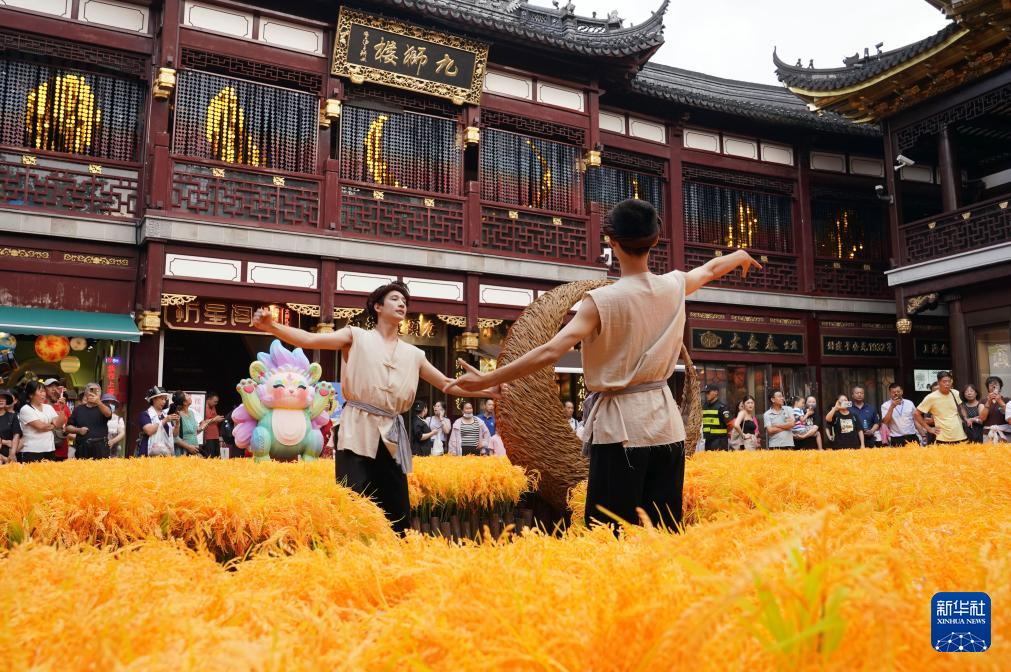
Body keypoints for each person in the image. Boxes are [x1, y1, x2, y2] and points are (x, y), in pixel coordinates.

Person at [449, 198, 762, 530]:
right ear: (656, 239)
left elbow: (550, 351)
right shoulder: (673, 285)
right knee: (665, 531)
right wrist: (738, 255)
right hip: (667, 428)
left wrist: (488, 379)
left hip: (621, 431)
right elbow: (710, 269)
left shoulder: (602, 300)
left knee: (610, 533)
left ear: (612, 242)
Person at [251, 281, 485, 534]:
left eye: (404, 302)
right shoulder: (355, 336)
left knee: (397, 509)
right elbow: (310, 339)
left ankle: (396, 552)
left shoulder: (415, 354)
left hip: (391, 434)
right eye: (395, 299)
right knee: (353, 501)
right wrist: (272, 326)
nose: (401, 304)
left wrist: (489, 388)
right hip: (356, 429)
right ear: (377, 307)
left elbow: (448, 384)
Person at [17, 380, 66, 462]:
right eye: (40, 391)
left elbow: (59, 424)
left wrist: (62, 409)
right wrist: (53, 425)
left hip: (49, 449)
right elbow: (41, 427)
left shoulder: (48, 407)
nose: (43, 394)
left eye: (44, 391)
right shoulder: (26, 409)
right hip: (32, 450)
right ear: (31, 395)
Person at [915, 371, 966, 445]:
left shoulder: (955, 393)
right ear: (938, 382)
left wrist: (966, 418)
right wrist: (929, 429)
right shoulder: (931, 397)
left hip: (960, 435)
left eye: (949, 381)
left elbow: (961, 407)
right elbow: (916, 414)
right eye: (944, 381)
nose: (947, 383)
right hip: (943, 437)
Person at [66, 382, 113, 459]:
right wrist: (78, 430)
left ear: (100, 394)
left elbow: (108, 414)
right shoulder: (78, 409)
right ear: (86, 393)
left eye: (97, 391)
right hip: (82, 448)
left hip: (100, 448)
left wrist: (98, 402)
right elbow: (68, 427)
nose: (94, 393)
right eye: (91, 390)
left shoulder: (104, 407)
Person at [139, 386, 178, 457]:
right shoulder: (145, 414)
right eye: (162, 399)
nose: (164, 402)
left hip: (166, 454)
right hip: (148, 453)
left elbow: (174, 434)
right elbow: (149, 431)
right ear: (154, 399)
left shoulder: (165, 415)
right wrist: (164, 420)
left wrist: (178, 424)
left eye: (165, 399)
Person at [41, 378, 71, 461]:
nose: (54, 389)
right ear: (44, 390)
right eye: (50, 387)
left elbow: (68, 426)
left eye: (56, 387)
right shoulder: (40, 405)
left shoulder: (64, 406)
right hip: (44, 450)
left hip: (61, 451)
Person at [701, 384, 733, 451]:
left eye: (708, 392)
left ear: (716, 392)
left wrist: (723, 434)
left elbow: (730, 424)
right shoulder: (705, 406)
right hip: (708, 441)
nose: (707, 394)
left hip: (719, 441)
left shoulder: (722, 407)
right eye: (706, 393)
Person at [171, 391, 202, 457]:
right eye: (187, 395)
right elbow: (174, 437)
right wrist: (188, 447)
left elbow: (194, 431)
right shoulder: (176, 415)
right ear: (184, 403)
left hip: (194, 451)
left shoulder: (191, 413)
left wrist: (208, 423)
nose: (189, 396)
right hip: (183, 452)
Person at [982, 376, 1010, 443]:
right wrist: (988, 401)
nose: (994, 386)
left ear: (1000, 387)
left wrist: (1000, 401)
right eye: (991, 385)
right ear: (988, 388)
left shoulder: (1007, 400)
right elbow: (982, 418)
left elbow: (1010, 415)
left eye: (996, 385)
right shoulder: (983, 401)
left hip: (1005, 433)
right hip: (988, 434)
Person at [0, 389, 22, 464]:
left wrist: (12, 453)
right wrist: (5, 442)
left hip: (9, 456)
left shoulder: (12, 416)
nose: (1, 400)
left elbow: (16, 435)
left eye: (3, 398)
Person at [202, 392, 225, 458]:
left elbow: (214, 418)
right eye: (215, 402)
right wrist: (215, 419)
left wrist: (218, 419)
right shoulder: (203, 407)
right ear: (208, 399)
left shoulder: (213, 407)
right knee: (210, 456)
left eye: (217, 402)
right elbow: (202, 422)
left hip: (215, 435)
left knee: (217, 456)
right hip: (207, 436)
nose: (216, 403)